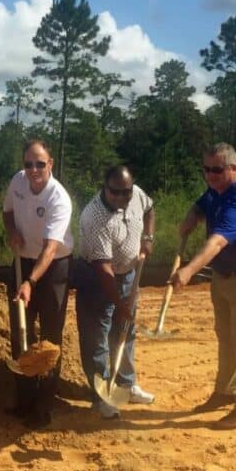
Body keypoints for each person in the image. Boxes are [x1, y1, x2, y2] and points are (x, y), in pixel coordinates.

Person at [172, 143, 236, 430]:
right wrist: (190, 218)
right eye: (206, 169)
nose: (211, 175)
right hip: (223, 278)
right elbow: (201, 204)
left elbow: (216, 241)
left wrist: (189, 270)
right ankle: (224, 392)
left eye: (217, 169)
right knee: (225, 338)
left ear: (234, 169)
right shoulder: (216, 191)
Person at [2, 140, 74, 428]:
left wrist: (31, 282)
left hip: (52, 268)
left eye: (40, 164)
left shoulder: (59, 198)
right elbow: (7, 212)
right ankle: (24, 401)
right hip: (23, 261)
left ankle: (44, 406)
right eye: (28, 163)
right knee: (20, 333)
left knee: (50, 337)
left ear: (51, 164)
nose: (33, 170)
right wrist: (12, 232)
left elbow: (51, 249)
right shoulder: (17, 182)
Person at [74, 165, 155, 420]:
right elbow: (103, 269)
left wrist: (148, 238)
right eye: (114, 192)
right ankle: (101, 397)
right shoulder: (94, 217)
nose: (121, 197)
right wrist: (121, 305)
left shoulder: (136, 194)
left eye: (125, 192)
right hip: (96, 279)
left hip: (129, 272)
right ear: (104, 187)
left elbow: (150, 209)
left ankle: (126, 385)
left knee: (126, 330)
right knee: (97, 337)